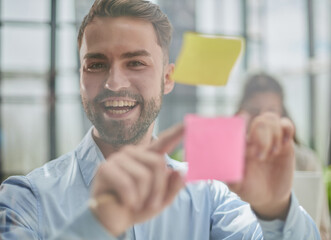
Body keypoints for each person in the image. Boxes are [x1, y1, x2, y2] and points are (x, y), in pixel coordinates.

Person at [0, 0, 320, 239]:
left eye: (136, 63)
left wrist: (275, 210)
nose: (115, 83)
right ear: (81, 75)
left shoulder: (209, 198)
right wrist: (96, 225)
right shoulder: (27, 199)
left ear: (168, 78)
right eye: (96, 65)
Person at [237, 72, 330, 239]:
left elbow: (323, 228)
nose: (262, 118)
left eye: (271, 110)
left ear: (282, 114)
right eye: (254, 110)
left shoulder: (305, 161)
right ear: (241, 113)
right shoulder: (227, 161)